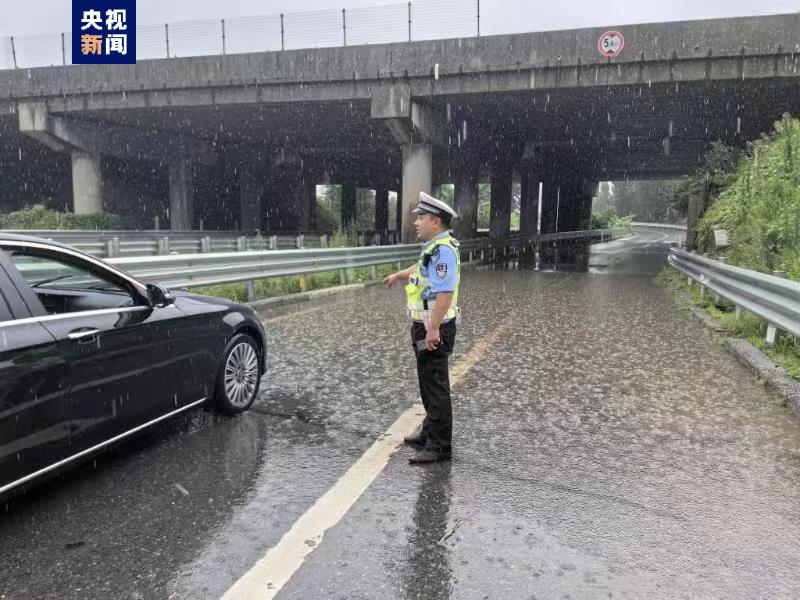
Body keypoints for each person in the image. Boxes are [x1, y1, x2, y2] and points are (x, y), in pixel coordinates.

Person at [384, 191, 461, 464]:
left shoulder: (443, 251)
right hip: (424, 325)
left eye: (421, 218)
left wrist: (433, 329)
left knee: (436, 386)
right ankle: (430, 433)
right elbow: (420, 270)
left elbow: (444, 293)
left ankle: (440, 446)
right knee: (427, 384)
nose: (416, 222)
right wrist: (399, 275)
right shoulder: (432, 248)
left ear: (436, 222)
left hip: (433, 327)